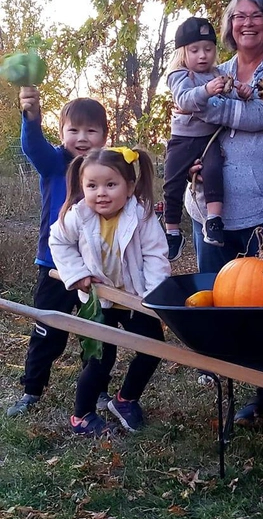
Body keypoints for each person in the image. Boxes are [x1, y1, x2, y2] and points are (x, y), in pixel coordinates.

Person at [184, 0, 263, 424]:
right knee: (218, 294)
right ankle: (221, 374)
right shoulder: (217, 67)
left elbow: (261, 117)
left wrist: (209, 108)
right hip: (211, 207)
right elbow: (186, 113)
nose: (247, 23)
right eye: (238, 17)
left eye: (256, 15)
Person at [49, 147, 171, 435]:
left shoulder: (140, 216)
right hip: (98, 301)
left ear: (129, 187)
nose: (100, 193)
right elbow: (59, 243)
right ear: (82, 187)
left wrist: (153, 295)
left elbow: (155, 255)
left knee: (152, 349)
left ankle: (125, 400)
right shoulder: (77, 215)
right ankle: (82, 416)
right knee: (100, 358)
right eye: (92, 186)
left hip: (135, 299)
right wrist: (77, 274)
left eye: (110, 185)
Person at [7, 88, 109, 418]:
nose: (82, 138)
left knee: (96, 334)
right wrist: (31, 117)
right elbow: (32, 146)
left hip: (96, 270)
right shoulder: (54, 163)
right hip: (54, 268)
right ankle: (32, 390)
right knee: (46, 330)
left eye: (91, 130)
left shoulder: (109, 170)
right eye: (73, 130)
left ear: (104, 136)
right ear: (62, 131)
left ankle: (99, 391)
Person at [163, 16, 252, 261]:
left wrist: (242, 93)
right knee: (173, 180)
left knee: (214, 170)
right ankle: (172, 230)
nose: (202, 55)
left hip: (210, 138)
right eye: (195, 50)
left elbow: (229, 96)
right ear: (183, 53)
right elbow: (184, 100)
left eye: (208, 49)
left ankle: (214, 220)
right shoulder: (180, 75)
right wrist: (206, 90)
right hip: (184, 139)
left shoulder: (218, 73)